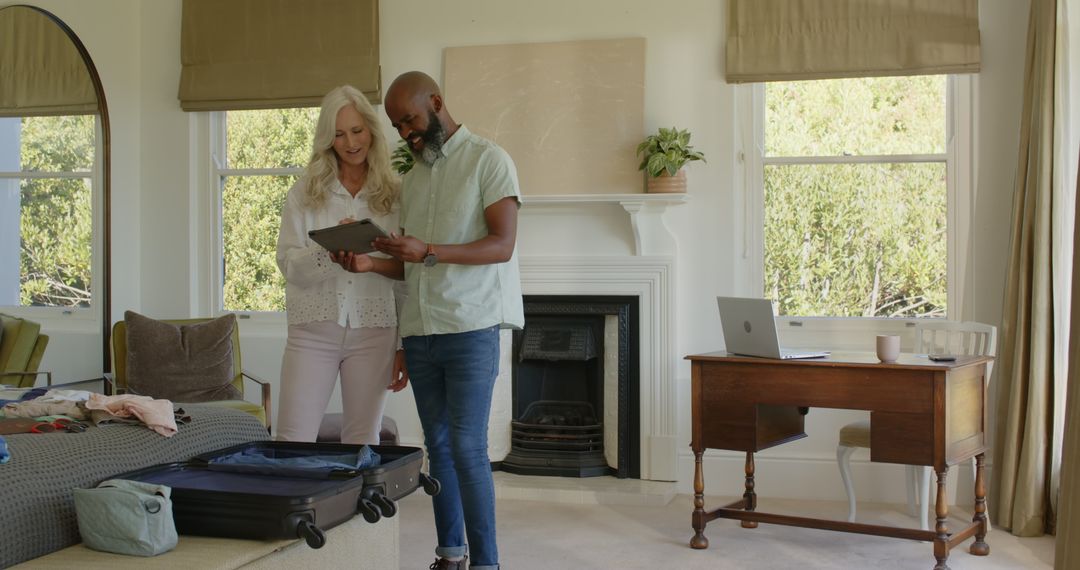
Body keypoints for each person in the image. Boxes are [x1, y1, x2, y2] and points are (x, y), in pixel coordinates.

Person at [374, 71, 523, 570]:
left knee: (466, 447)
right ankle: (450, 555)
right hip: (421, 331)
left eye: (410, 120)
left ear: (436, 102)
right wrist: (369, 262)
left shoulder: (489, 160)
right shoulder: (412, 181)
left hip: (471, 327)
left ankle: (487, 563)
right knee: (437, 448)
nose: (405, 133)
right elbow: (411, 262)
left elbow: (502, 245)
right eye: (397, 126)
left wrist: (428, 250)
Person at [275, 84, 408, 446]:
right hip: (312, 332)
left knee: (363, 442)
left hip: (375, 332)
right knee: (291, 440)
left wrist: (402, 346)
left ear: (371, 130)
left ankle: (361, 505)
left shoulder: (395, 195)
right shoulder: (305, 193)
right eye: (338, 134)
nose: (350, 142)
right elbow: (288, 264)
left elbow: (406, 275)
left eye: (356, 130)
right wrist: (331, 251)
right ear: (326, 139)